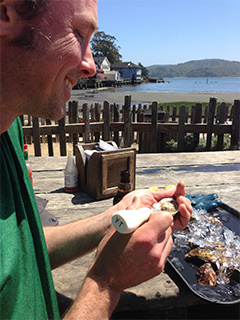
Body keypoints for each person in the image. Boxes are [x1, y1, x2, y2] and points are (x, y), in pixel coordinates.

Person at [0, 0, 192, 319]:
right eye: (78, 33)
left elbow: (20, 248)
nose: (92, 65)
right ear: (5, 14)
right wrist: (106, 282)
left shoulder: (8, 124)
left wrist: (113, 217)